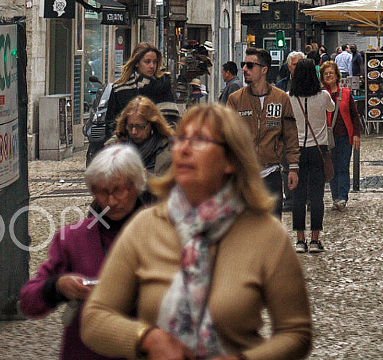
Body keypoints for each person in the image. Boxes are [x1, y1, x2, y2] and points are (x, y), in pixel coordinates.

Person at [81, 102, 312, 360]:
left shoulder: (266, 234)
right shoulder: (146, 226)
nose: (184, 149)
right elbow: (95, 317)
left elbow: (296, 332)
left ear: (230, 160)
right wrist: (146, 338)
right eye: (181, 139)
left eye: (200, 140)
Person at [20, 145, 148, 360]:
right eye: (102, 191)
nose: (111, 201)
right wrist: (58, 287)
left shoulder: (164, 233)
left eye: (119, 190)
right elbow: (29, 302)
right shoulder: (73, 238)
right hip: (87, 352)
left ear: (136, 186)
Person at [227, 47, 299, 219]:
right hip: (244, 175)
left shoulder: (281, 98)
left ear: (264, 70)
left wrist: (293, 167)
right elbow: (226, 137)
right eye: (243, 65)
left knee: (272, 226)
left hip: (271, 172)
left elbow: (290, 136)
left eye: (250, 65)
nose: (244, 69)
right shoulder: (235, 99)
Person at [287, 56, 335, 254]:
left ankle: (300, 240)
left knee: (297, 196)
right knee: (317, 196)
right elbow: (331, 108)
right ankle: (315, 239)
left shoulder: (288, 96)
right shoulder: (322, 96)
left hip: (296, 150)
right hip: (318, 149)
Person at [320, 59, 360, 212]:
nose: (329, 76)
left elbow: (354, 115)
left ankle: (342, 197)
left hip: (344, 136)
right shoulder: (321, 94)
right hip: (327, 136)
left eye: (331, 73)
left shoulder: (346, 93)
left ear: (337, 75)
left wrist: (356, 134)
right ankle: (335, 196)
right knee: (331, 168)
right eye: (326, 74)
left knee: (342, 167)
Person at [109, 98, 173, 186]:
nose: (134, 132)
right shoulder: (115, 146)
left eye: (140, 127)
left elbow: (173, 187)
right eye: (130, 126)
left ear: (151, 124)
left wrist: (146, 177)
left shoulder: (168, 148)